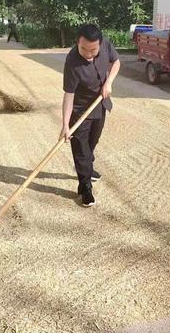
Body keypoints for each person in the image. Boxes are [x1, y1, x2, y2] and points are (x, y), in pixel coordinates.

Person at [60, 24, 121, 207]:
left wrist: (108, 82)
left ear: (100, 45)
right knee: (81, 149)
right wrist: (65, 124)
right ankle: (85, 186)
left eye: (93, 50)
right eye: (83, 49)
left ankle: (88, 167)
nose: (88, 54)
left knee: (92, 143)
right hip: (79, 110)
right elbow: (69, 95)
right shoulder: (72, 61)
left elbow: (116, 62)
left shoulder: (106, 45)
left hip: (99, 105)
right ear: (77, 42)